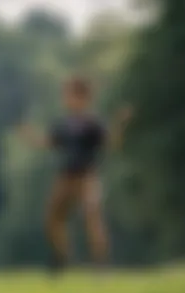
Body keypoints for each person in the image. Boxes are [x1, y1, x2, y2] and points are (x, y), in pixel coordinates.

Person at [19, 76, 133, 274]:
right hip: (65, 177)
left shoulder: (92, 123)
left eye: (70, 95)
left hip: (87, 176)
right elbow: (48, 143)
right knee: (52, 219)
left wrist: (119, 123)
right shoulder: (63, 124)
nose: (66, 99)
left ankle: (101, 264)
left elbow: (111, 144)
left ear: (83, 98)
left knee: (92, 217)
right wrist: (29, 136)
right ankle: (61, 256)